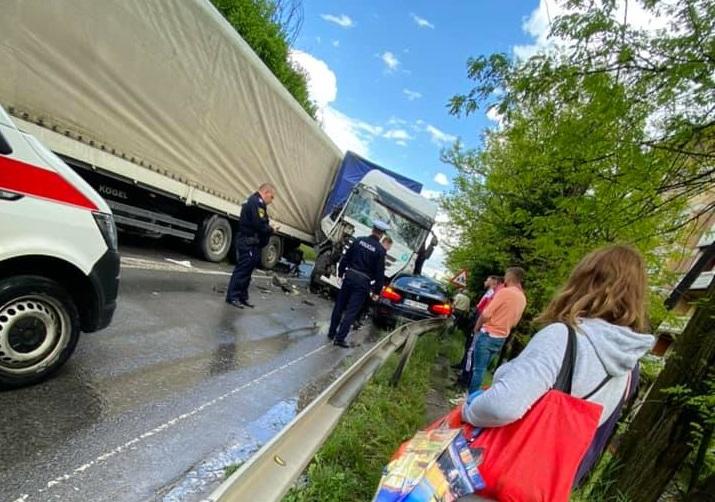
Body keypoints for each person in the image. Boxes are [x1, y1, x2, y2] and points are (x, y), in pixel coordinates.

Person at [462, 245, 654, 481]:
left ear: (585, 281)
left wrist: (468, 409)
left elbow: (501, 407)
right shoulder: (629, 366)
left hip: (503, 476)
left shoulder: (563, 337)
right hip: (548, 484)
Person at [328, 221, 388, 348]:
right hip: (363, 282)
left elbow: (346, 258)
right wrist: (377, 292)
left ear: (372, 229)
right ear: (382, 235)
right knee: (351, 310)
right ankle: (339, 338)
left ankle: (331, 332)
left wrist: (340, 273)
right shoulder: (380, 251)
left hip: (349, 276)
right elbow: (379, 274)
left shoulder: (359, 241)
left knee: (339, 305)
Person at [467, 267, 527, 393]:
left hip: (488, 334)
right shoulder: (522, 298)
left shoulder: (505, 292)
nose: (504, 278)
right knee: (483, 369)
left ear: (510, 277)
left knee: (477, 369)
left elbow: (486, 313)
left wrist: (477, 327)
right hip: (501, 337)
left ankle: (469, 399)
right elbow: (515, 322)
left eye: (506, 275)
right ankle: (474, 397)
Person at [225, 183, 276, 309]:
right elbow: (259, 224)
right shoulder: (256, 203)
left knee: (247, 271)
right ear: (266, 192)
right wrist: (271, 230)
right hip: (248, 241)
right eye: (272, 197)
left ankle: (242, 296)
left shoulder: (253, 201)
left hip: (252, 242)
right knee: (242, 270)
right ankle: (233, 296)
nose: (271, 200)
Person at [353, 235, 393, 331]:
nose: (389, 249)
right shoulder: (381, 252)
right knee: (364, 302)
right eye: (389, 246)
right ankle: (355, 320)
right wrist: (377, 291)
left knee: (359, 301)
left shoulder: (374, 248)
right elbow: (380, 272)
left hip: (361, 277)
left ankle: (354, 320)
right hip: (369, 281)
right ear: (385, 243)